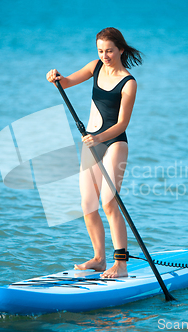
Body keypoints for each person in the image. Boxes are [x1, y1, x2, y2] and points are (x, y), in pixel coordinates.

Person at [46, 27, 142, 278]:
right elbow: (65, 83)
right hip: (92, 143)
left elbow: (122, 124)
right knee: (87, 204)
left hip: (114, 143)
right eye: (100, 50)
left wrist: (98, 137)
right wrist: (56, 77)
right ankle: (99, 259)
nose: (104, 55)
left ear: (121, 49)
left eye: (109, 50)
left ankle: (120, 264)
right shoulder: (94, 67)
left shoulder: (129, 83)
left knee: (109, 203)